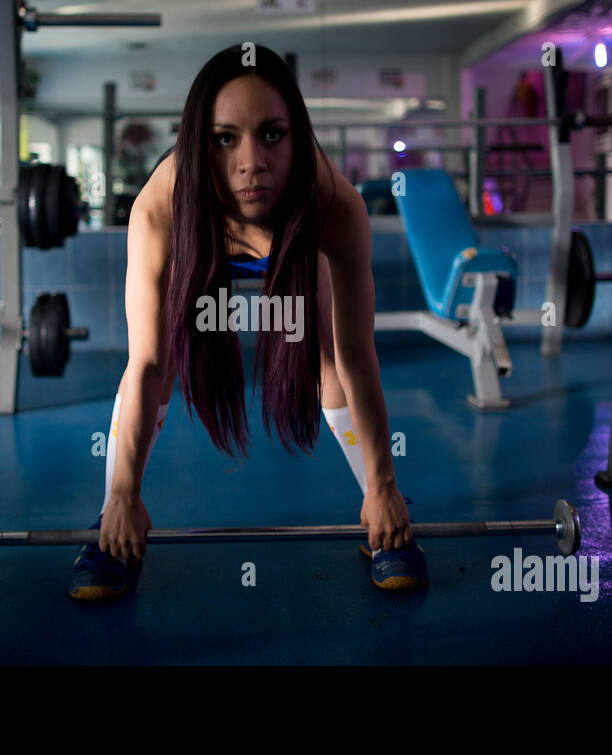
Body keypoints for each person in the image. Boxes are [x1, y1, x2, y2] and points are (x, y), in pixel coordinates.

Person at [70, 43, 425, 601]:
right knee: (160, 363)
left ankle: (382, 513)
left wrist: (384, 485)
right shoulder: (160, 207)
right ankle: (113, 516)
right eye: (225, 138)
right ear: (200, 143)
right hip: (201, 236)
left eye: (273, 134)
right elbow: (146, 363)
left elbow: (358, 357)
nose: (251, 161)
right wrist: (121, 495)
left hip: (296, 242)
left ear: (297, 136)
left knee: (330, 357)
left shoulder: (335, 206)